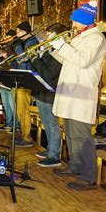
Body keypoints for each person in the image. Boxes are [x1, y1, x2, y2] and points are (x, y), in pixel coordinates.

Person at [50, 1, 106, 190]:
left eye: (76, 22)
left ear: (86, 21)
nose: (73, 25)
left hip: (81, 93)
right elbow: (69, 59)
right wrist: (54, 49)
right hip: (70, 92)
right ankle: (75, 167)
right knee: (71, 133)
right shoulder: (79, 37)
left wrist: (63, 46)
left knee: (82, 136)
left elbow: (82, 61)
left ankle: (89, 177)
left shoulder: (96, 38)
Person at [30, 23, 66, 167]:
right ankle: (50, 149)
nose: (48, 38)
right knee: (46, 123)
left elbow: (48, 74)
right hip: (42, 91)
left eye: (50, 35)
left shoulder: (60, 52)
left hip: (52, 92)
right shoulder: (52, 50)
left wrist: (37, 58)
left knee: (52, 124)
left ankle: (54, 155)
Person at [12, 21, 39, 147]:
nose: (16, 34)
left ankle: (27, 137)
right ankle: (23, 134)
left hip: (26, 79)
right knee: (19, 110)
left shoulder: (32, 42)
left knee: (23, 110)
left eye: (18, 31)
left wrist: (17, 47)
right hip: (20, 78)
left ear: (24, 32)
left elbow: (24, 59)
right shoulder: (24, 43)